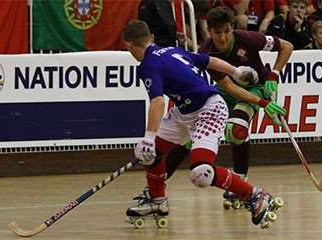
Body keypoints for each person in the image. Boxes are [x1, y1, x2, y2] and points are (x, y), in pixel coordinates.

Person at [122, 20, 285, 228]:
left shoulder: (147, 66)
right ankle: (157, 201)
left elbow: (157, 102)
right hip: (184, 113)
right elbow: (208, 61)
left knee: (201, 173)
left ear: (129, 46)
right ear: (150, 38)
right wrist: (235, 72)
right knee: (151, 155)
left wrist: (148, 137)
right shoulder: (171, 50)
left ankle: (255, 195)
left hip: (209, 111)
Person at [198, 6, 294, 208]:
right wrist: (263, 104)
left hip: (257, 87)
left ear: (232, 28)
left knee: (236, 128)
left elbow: (287, 47)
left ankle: (240, 181)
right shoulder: (206, 52)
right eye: (217, 33)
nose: (222, 38)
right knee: (230, 130)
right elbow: (229, 87)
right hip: (227, 91)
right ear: (209, 31)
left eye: (226, 31)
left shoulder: (248, 38)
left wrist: (274, 75)